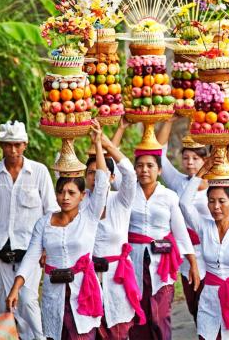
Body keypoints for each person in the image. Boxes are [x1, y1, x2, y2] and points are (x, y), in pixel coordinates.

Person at [6, 120, 110, 340]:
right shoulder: (44, 223)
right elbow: (32, 256)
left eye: (72, 193)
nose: (65, 197)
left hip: (83, 292)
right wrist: (16, 288)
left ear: (83, 196)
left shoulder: (89, 216)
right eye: (61, 192)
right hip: (54, 296)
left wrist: (99, 143)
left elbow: (101, 184)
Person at [179, 161, 229, 340]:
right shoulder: (203, 227)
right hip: (210, 298)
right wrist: (201, 172)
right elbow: (184, 203)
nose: (216, 207)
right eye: (211, 201)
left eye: (221, 201)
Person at [128, 148, 200, 340]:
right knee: (137, 314)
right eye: (140, 166)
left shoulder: (168, 196)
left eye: (150, 166)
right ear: (134, 169)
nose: (144, 170)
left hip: (162, 262)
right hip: (132, 259)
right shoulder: (127, 194)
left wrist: (192, 263)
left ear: (159, 170)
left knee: (160, 315)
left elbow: (180, 232)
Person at [0, 120, 59, 340]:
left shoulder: (39, 172)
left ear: (25, 144)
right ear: (1, 145)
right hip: (1, 253)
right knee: (4, 307)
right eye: (7, 145)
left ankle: (39, 338)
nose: (12, 150)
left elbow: (51, 211)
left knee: (27, 301)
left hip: (30, 252)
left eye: (17, 145)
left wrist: (46, 248)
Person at [85, 133, 143, 339]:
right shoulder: (80, 204)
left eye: (100, 172)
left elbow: (129, 175)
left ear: (111, 177)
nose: (95, 177)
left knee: (118, 331)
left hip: (118, 277)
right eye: (90, 173)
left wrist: (107, 144)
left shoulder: (121, 200)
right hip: (88, 278)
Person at [156, 117, 209, 323]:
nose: (190, 163)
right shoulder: (179, 181)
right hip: (186, 253)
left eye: (195, 158)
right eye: (186, 158)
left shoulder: (216, 184)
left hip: (209, 252)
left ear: (205, 160)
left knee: (211, 306)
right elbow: (158, 154)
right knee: (194, 306)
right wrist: (169, 120)